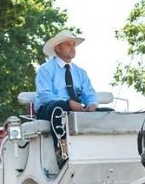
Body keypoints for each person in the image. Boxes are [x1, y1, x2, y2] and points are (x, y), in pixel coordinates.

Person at [35, 30, 100, 166]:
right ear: (57, 48)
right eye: (68, 45)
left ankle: (100, 151)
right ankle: (61, 151)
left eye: (73, 45)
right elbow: (44, 95)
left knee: (107, 112)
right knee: (59, 107)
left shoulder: (80, 72)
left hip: (75, 109)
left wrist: (92, 104)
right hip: (49, 110)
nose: (73, 48)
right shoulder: (45, 69)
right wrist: (68, 102)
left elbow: (89, 93)